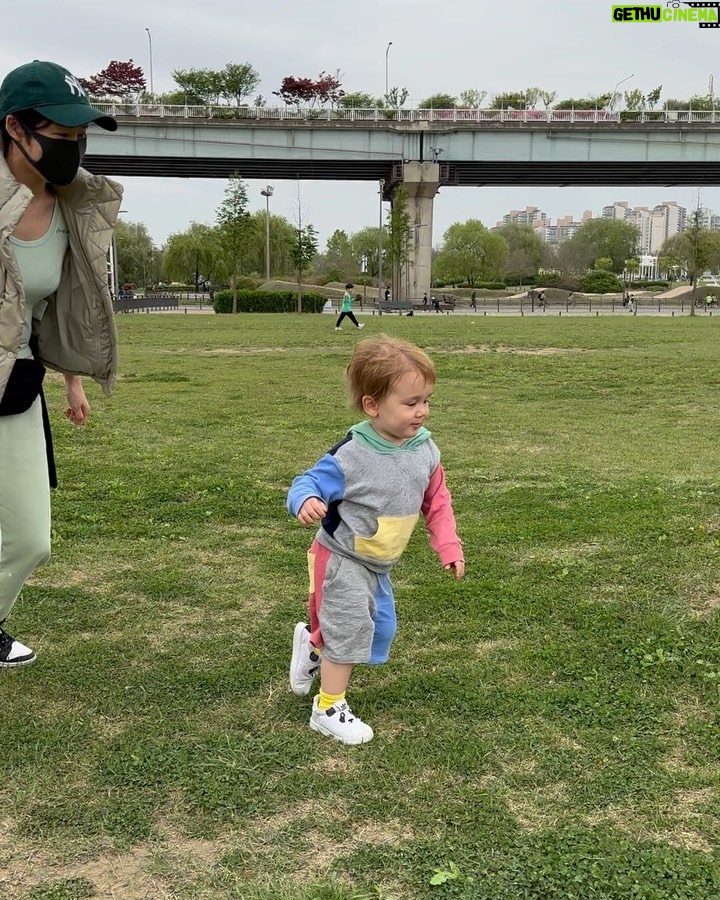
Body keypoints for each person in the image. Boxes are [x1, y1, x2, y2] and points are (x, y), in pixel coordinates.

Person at [0, 61, 122, 667]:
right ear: (15, 128)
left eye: (80, 137)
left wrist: (72, 379)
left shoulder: (75, 205)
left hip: (15, 383)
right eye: (61, 134)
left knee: (28, 540)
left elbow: (61, 308)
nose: (72, 148)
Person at [287, 336, 464, 744]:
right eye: (410, 402)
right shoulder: (351, 454)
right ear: (373, 405)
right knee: (349, 631)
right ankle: (328, 707)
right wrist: (307, 499)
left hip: (378, 563)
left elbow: (437, 501)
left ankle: (314, 649)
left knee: (379, 631)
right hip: (341, 557)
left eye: (426, 401)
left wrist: (449, 545)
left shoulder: (426, 450)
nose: (422, 411)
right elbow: (308, 481)